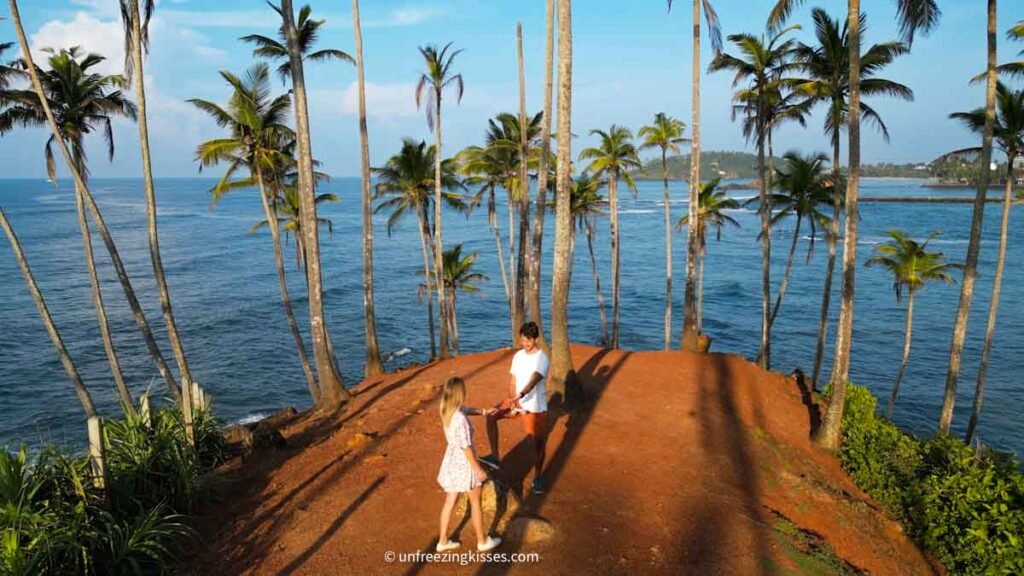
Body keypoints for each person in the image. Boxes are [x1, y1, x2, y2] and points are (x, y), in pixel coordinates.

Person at [480, 322, 550, 495]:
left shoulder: (542, 358)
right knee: (491, 416)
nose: (524, 343)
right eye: (522, 340)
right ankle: (495, 457)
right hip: (516, 402)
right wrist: (512, 400)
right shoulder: (518, 355)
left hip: (535, 407)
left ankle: (538, 477)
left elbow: (534, 380)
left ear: (536, 339)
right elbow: (512, 379)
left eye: (528, 340)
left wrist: (521, 394)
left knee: (538, 444)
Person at [436, 377, 502, 553]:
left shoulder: (447, 409)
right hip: (465, 464)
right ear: (460, 393)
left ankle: (442, 540)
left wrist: (484, 411)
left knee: (450, 500)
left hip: (452, 461)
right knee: (475, 503)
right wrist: (478, 469)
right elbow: (466, 447)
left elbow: (467, 409)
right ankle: (482, 541)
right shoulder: (460, 420)